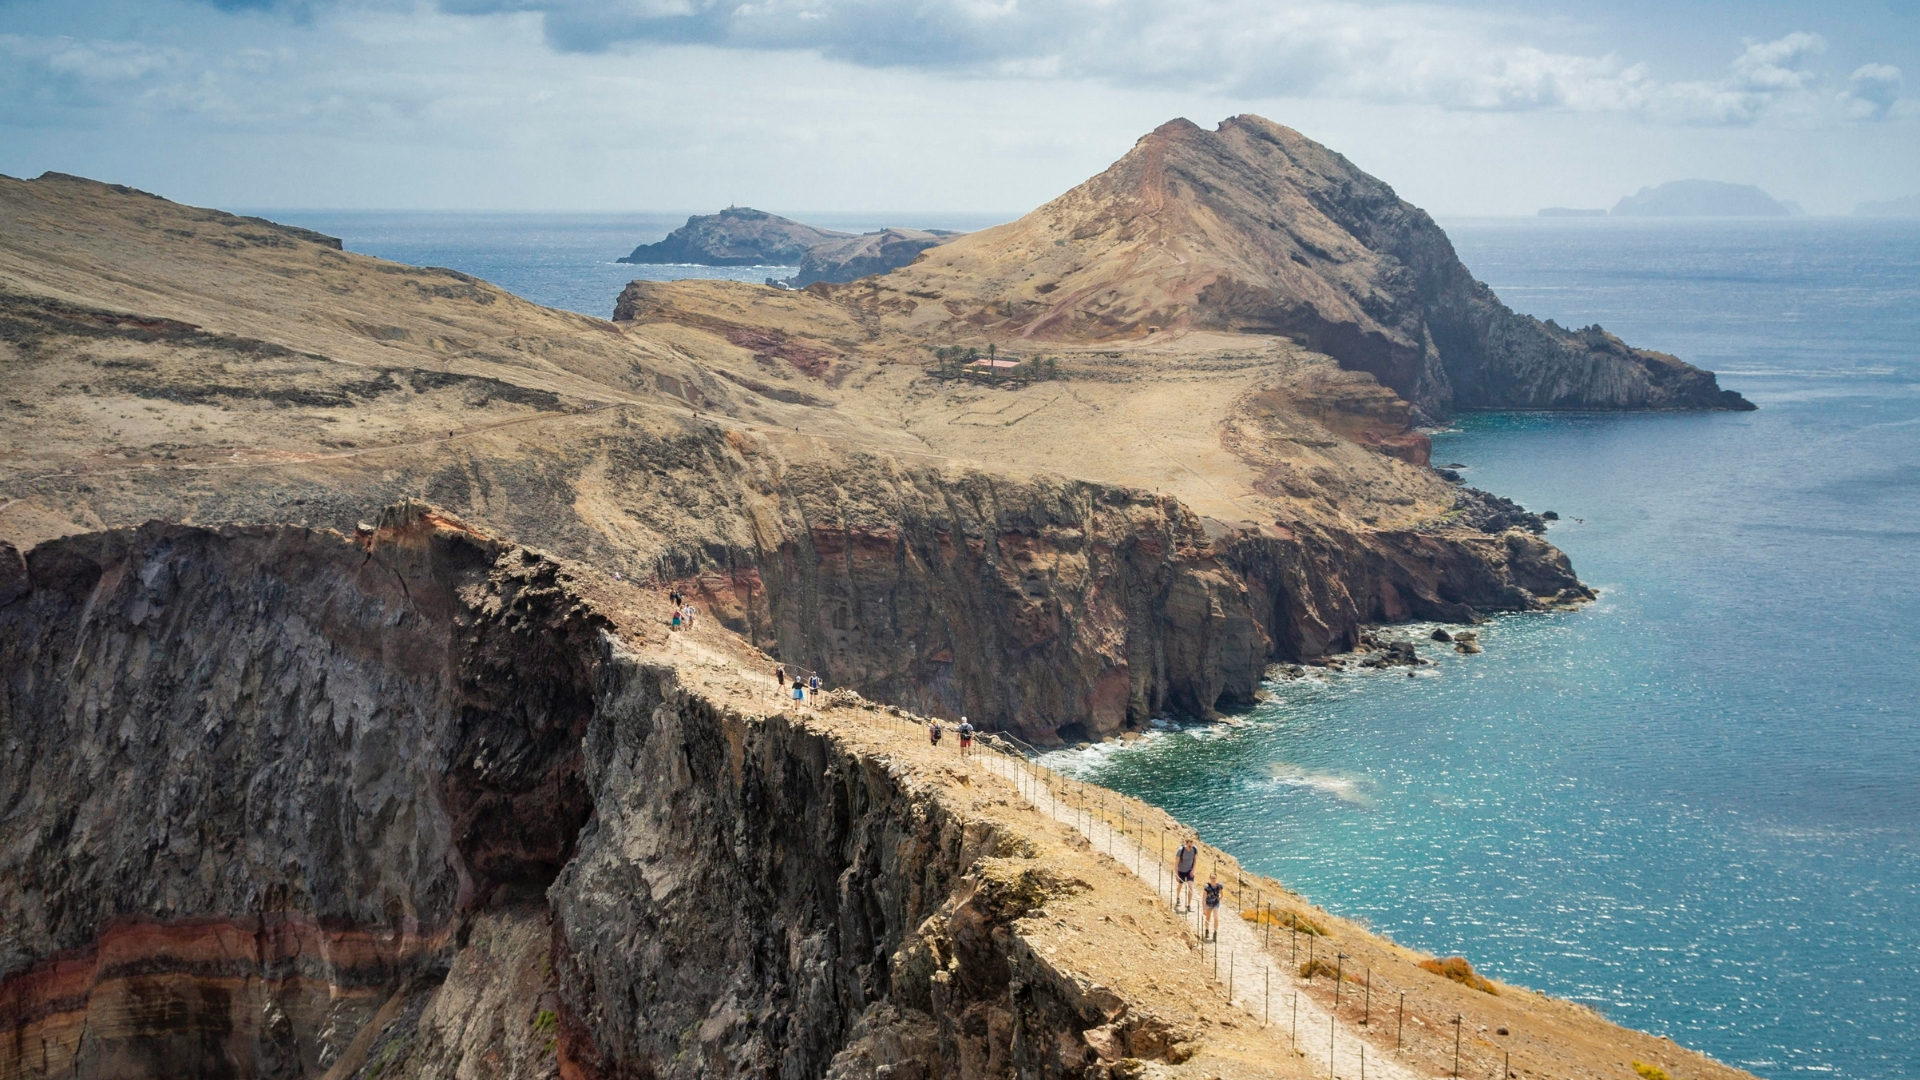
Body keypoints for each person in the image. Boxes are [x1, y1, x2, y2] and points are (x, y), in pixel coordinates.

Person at [1175, 838, 1199, 912]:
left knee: (1190, 887)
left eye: (1192, 844)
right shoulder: (1180, 850)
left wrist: (1193, 870)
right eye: (1189, 845)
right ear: (1186, 843)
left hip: (1189, 871)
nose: (1190, 846)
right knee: (1180, 885)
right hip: (1181, 871)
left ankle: (1188, 905)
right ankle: (1178, 897)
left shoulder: (1194, 849)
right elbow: (1176, 863)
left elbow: (1195, 860)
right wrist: (1176, 874)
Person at [1202, 872, 1224, 940]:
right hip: (1208, 904)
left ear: (1216, 878)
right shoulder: (1207, 887)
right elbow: (1204, 898)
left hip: (1216, 904)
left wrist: (1219, 899)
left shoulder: (1219, 886)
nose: (1213, 879)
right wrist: (1204, 908)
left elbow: (1222, 894)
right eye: (1212, 878)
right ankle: (1207, 930)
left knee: (1216, 918)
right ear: (1210, 878)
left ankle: (1215, 932)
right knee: (1208, 918)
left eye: (1214, 878)